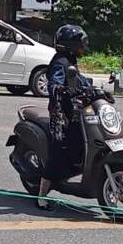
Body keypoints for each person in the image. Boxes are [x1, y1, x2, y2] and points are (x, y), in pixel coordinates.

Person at [37, 24, 90, 210]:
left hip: (74, 110)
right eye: (80, 43)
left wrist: (97, 88)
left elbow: (80, 80)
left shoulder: (71, 60)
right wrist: (59, 89)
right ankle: (42, 194)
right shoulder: (60, 61)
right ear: (71, 44)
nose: (83, 46)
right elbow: (55, 81)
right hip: (60, 112)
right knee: (59, 149)